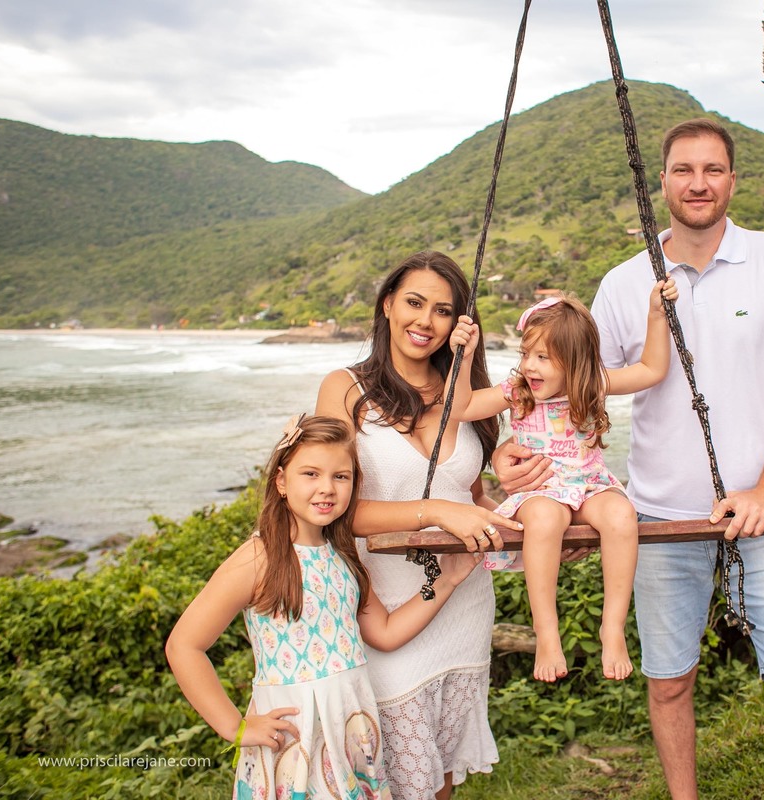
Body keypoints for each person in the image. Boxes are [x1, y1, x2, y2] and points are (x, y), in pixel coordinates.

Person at [495, 118, 764, 800]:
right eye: (685, 169)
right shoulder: (624, 284)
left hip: (762, 518)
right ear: (664, 182)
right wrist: (520, 457)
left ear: (733, 180)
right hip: (654, 519)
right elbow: (568, 391)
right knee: (670, 683)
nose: (699, 182)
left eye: (713, 169)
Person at [165, 414, 480, 800]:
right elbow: (183, 645)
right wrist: (235, 727)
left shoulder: (345, 557)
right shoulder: (259, 558)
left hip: (351, 730)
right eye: (310, 474)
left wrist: (445, 581)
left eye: (340, 476)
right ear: (281, 481)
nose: (326, 488)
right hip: (295, 740)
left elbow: (384, 632)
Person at [315, 251, 521, 800]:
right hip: (387, 608)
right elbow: (336, 508)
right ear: (387, 305)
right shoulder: (345, 389)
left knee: (441, 780)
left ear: (459, 325)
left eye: (443, 310)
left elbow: (474, 500)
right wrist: (434, 512)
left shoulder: (469, 398)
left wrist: (536, 535)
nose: (425, 321)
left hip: (464, 602)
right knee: (396, 777)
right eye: (414, 302)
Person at [447, 282, 677, 683]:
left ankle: (613, 626)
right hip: (543, 490)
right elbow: (463, 407)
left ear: (575, 363)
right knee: (545, 519)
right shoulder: (517, 393)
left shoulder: (590, 385)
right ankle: (546, 632)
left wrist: (656, 315)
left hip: (589, 485)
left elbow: (652, 370)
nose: (530, 366)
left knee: (623, 515)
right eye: (525, 355)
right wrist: (463, 359)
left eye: (543, 357)